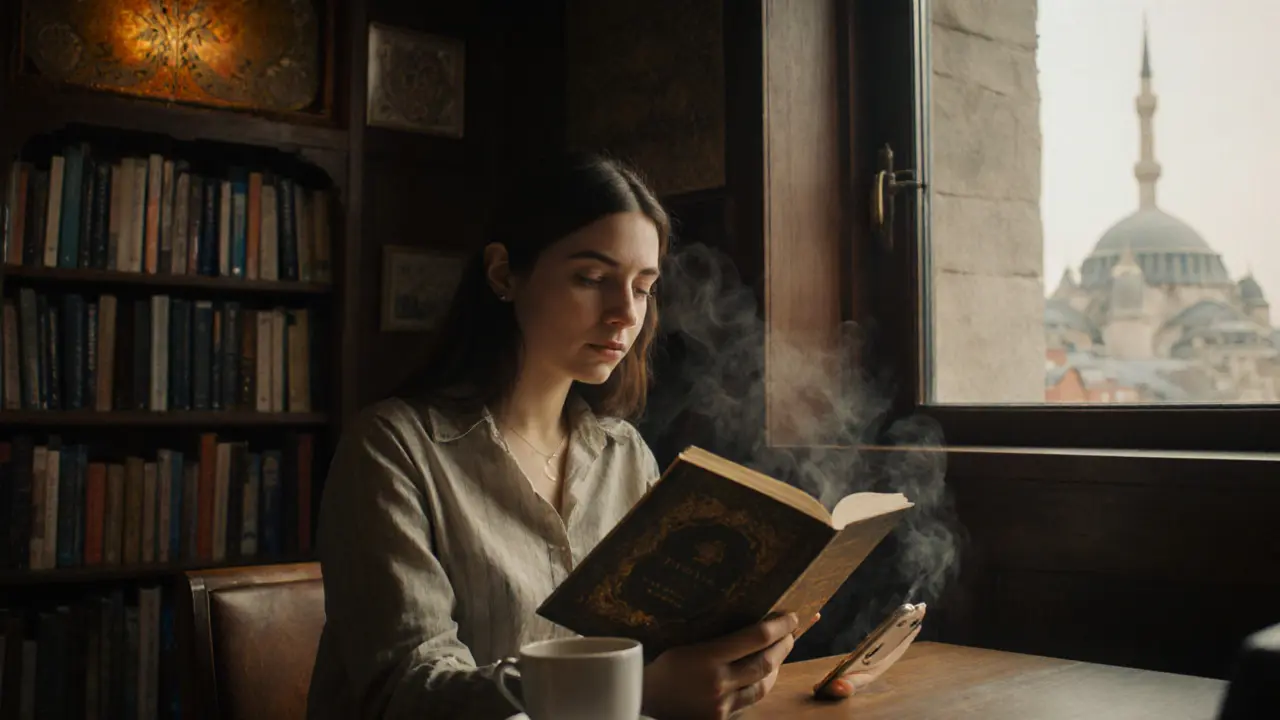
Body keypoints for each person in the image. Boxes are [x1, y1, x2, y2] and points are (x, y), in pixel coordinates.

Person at [305, 151, 855, 720]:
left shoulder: (623, 454)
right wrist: (632, 692)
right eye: (592, 278)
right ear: (503, 274)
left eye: (643, 288)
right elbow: (407, 691)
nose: (624, 313)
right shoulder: (394, 449)